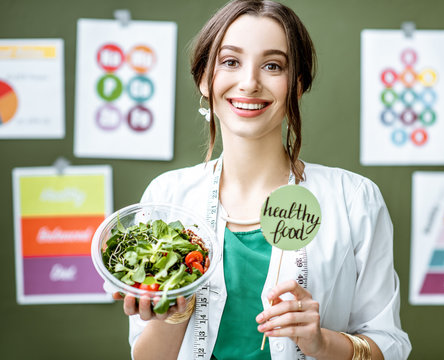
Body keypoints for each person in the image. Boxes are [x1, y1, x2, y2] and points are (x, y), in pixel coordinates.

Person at [114, 1, 411, 359]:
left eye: (273, 65)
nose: (250, 82)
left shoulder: (355, 199)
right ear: (204, 80)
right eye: (230, 62)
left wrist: (321, 341)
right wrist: (173, 315)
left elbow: (390, 347)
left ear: (298, 85)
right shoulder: (167, 198)